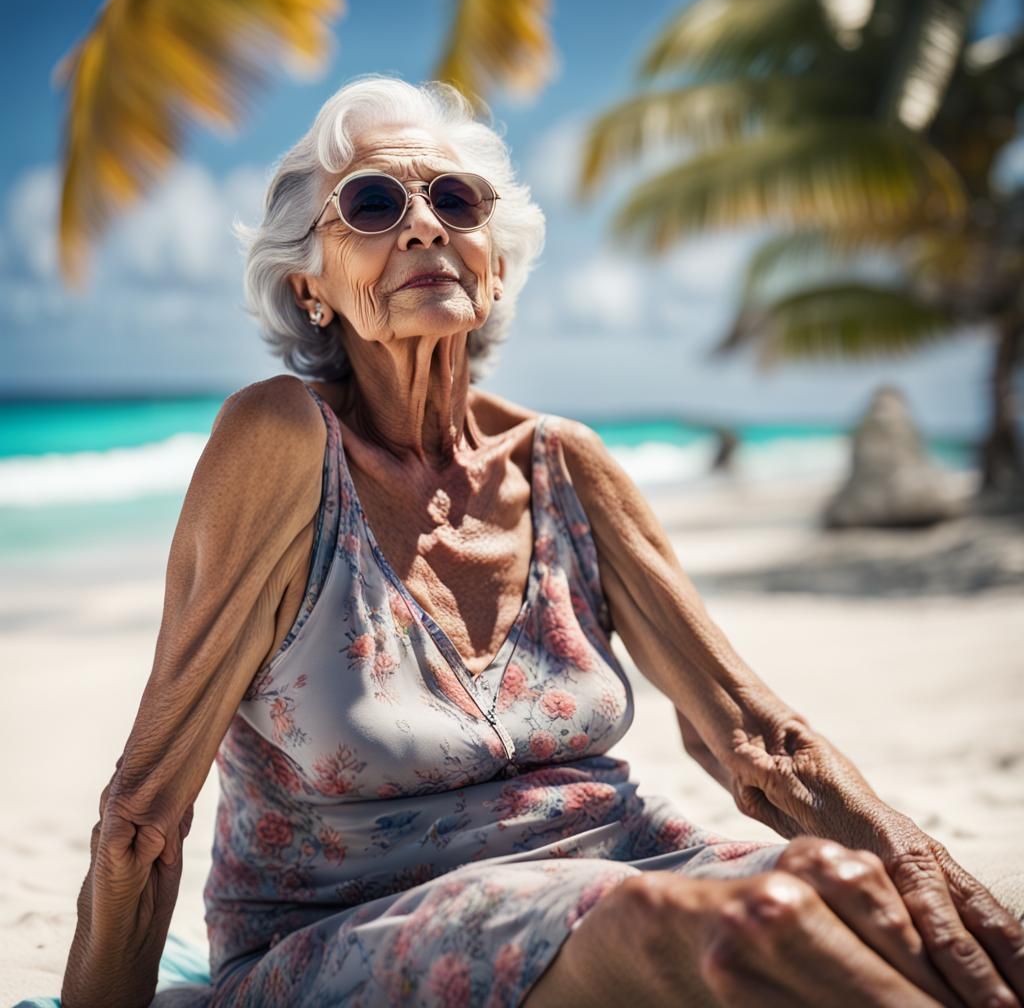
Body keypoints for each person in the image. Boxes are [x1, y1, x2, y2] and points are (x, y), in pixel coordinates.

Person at [61, 75, 1023, 1008]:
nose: (425, 224)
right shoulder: (281, 444)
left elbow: (758, 740)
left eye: (453, 199)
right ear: (309, 285)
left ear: (494, 261)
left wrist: (919, 867)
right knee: (754, 923)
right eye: (370, 203)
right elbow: (144, 811)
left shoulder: (565, 466)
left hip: (623, 862)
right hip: (346, 927)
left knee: (850, 891)